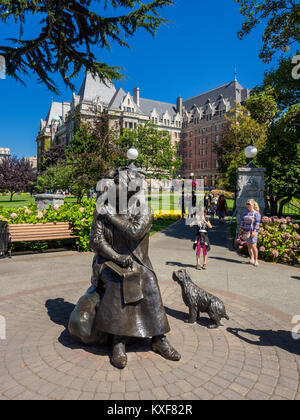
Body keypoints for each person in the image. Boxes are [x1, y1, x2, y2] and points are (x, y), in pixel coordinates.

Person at [88, 167, 181, 369]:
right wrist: (117, 257)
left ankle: (158, 338)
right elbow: (95, 241)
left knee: (147, 279)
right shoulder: (102, 207)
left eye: (119, 183)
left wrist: (111, 216)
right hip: (108, 261)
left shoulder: (144, 210)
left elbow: (133, 232)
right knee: (119, 280)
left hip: (138, 262)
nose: (114, 186)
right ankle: (118, 341)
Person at [238, 199, 262, 267]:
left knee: (254, 246)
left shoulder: (256, 213)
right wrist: (241, 230)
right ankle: (251, 258)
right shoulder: (245, 212)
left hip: (253, 231)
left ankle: (256, 260)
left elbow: (257, 223)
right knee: (249, 245)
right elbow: (242, 222)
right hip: (246, 231)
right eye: (247, 204)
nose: (248, 205)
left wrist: (255, 231)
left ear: (253, 205)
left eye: (249, 204)